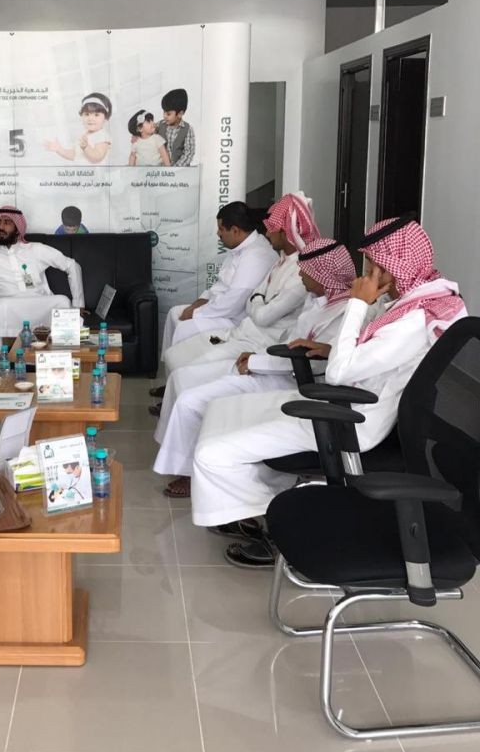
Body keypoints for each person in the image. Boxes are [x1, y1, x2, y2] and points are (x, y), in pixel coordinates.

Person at [190, 216, 467, 567]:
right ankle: (275, 502)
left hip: (353, 419)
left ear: (398, 266)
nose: (368, 275)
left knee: (212, 453)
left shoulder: (413, 320)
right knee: (221, 411)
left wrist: (357, 304)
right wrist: (330, 349)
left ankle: (273, 529)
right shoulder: (412, 303)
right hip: (344, 401)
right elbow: (365, 355)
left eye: (375, 266)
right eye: (369, 265)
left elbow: (338, 373)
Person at [154, 238, 357, 499]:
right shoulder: (317, 301)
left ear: (322, 275)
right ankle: (185, 465)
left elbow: (313, 360)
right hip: (273, 363)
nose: (301, 275)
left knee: (193, 401)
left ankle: (192, 473)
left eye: (306, 271)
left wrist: (257, 362)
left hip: (294, 382)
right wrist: (258, 359)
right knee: (191, 392)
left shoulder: (345, 313)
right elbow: (288, 339)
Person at [160, 192, 318, 375]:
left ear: (286, 232)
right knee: (175, 351)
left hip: (256, 336)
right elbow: (249, 299)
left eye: (271, 228)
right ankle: (172, 380)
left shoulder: (296, 270)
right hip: (245, 329)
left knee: (186, 355)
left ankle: (178, 380)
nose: (267, 233)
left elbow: (256, 311)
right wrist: (200, 305)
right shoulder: (280, 260)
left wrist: (198, 312)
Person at [159, 202, 277, 365]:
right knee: (174, 313)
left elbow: (233, 302)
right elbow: (220, 285)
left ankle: (181, 369)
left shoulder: (256, 255)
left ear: (235, 230)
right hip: (220, 308)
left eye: (221, 229)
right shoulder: (239, 248)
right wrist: (199, 302)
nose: (218, 233)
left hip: (235, 318)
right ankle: (169, 367)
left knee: (184, 327)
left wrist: (196, 313)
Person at [0, 206, 85, 345]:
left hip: (40, 304)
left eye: (7, 222)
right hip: (9, 307)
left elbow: (72, 265)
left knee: (62, 301)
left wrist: (78, 304)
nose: (1, 227)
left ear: (18, 228)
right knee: (3, 305)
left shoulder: (35, 249)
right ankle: (11, 354)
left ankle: (63, 350)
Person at [44, 92, 112, 164]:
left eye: (96, 115)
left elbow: (97, 158)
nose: (90, 118)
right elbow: (75, 155)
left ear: (105, 119)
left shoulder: (102, 136)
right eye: (87, 114)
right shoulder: (84, 135)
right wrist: (59, 149)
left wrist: (86, 147)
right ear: (81, 116)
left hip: (95, 170)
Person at [156, 88, 194, 166]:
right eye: (164, 112)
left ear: (180, 114)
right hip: (161, 170)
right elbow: (147, 133)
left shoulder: (187, 129)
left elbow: (189, 153)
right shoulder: (159, 125)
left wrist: (175, 169)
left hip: (179, 170)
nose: (164, 116)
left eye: (168, 114)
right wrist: (137, 135)